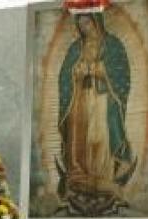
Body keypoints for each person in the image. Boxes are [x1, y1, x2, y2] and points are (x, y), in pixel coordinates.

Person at [58, 13, 136, 197]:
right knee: (79, 136)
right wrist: (75, 73)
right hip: (79, 98)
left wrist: (102, 71)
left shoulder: (113, 45)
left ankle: (102, 176)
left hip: (103, 99)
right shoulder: (76, 48)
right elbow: (64, 75)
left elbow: (121, 72)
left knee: (100, 136)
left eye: (87, 22)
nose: (84, 27)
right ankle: (78, 175)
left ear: (96, 21)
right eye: (80, 24)